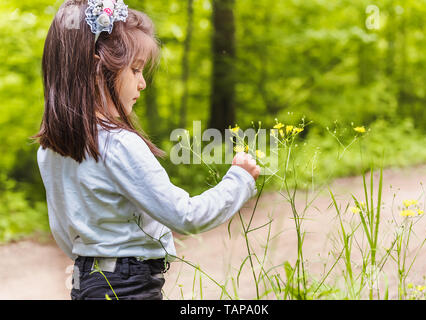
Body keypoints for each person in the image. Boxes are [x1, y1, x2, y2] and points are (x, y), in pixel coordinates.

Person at [32, 0, 260, 300]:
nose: (142, 83)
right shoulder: (118, 144)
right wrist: (239, 179)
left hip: (86, 282)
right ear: (98, 69)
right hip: (129, 287)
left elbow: (65, 233)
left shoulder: (51, 149)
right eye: (136, 69)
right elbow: (185, 215)